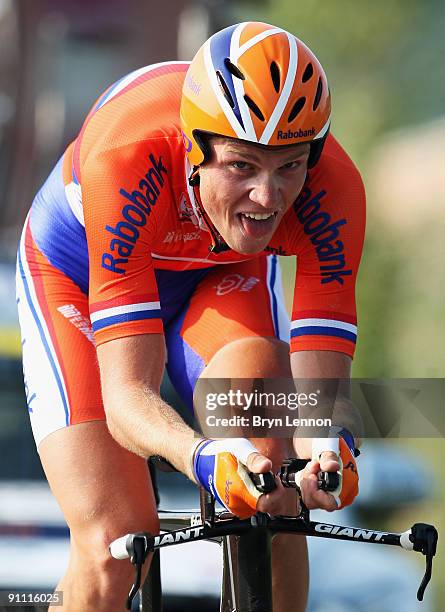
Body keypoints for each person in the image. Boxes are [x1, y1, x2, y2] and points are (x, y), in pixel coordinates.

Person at [16, 21, 364, 612]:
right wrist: (203, 456)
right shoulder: (127, 158)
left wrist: (326, 452)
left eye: (289, 166)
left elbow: (316, 402)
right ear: (194, 147)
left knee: (276, 494)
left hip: (216, 277)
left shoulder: (334, 191)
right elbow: (128, 397)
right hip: (77, 276)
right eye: (241, 166)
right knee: (115, 544)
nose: (267, 198)